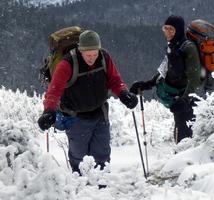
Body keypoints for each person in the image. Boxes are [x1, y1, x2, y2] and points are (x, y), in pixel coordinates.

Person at [37, 30, 138, 173]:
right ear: (80, 50)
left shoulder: (104, 58)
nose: (91, 58)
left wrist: (124, 94)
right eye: (88, 54)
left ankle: (102, 187)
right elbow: (54, 92)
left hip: (100, 113)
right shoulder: (67, 64)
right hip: (76, 117)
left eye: (94, 54)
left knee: (102, 155)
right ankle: (80, 186)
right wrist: (48, 111)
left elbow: (114, 80)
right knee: (79, 157)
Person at [130, 15, 202, 143]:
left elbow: (195, 78)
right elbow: (164, 69)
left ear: (178, 30)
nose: (168, 32)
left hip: (187, 101)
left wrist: (185, 100)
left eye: (171, 29)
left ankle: (185, 160)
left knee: (185, 138)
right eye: (166, 28)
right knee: (180, 132)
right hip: (176, 98)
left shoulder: (188, 48)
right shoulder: (173, 46)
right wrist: (147, 84)